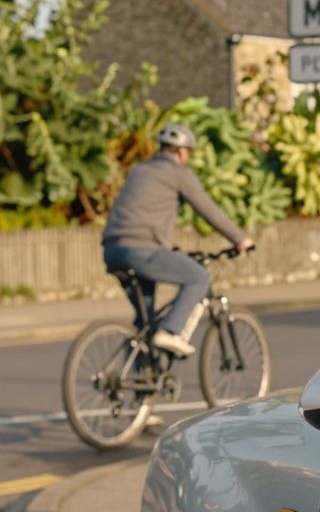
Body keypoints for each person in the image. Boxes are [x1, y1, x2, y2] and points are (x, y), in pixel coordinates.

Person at [102, 124, 254, 357]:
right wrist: (240, 239)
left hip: (113, 250)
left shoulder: (140, 170)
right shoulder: (178, 173)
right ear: (182, 152)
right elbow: (208, 210)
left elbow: (138, 212)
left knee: (146, 324)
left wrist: (166, 246)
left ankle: (140, 372)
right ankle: (170, 331)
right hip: (142, 250)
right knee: (199, 277)